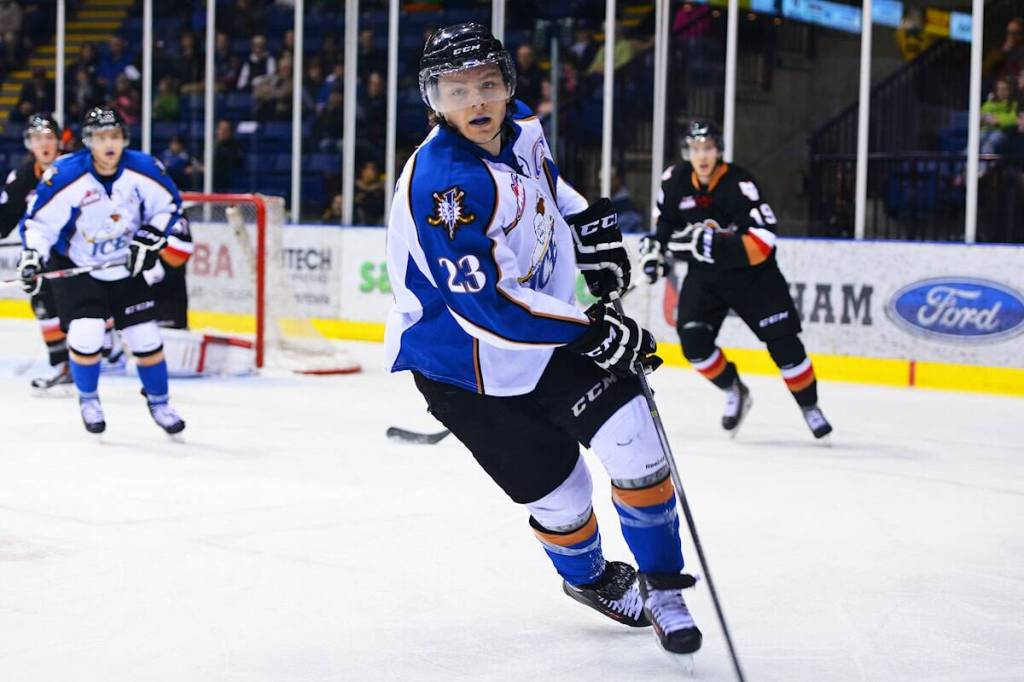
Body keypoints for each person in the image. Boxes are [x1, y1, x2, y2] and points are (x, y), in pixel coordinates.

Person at [385, 23, 702, 661]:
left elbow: (546, 182)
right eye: (456, 91)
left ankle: (666, 590)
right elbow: (488, 310)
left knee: (635, 440)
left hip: (550, 334)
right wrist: (595, 329)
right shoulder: (446, 189)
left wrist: (590, 227)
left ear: (507, 84)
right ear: (434, 101)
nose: (476, 101)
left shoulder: (521, 124)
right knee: (565, 498)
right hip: (467, 369)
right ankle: (589, 579)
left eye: (487, 84)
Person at [640, 120, 833, 439]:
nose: (702, 156)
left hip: (753, 277)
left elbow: (764, 239)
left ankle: (809, 406)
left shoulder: (739, 183)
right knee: (694, 344)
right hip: (706, 277)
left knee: (785, 346)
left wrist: (715, 245)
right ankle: (735, 390)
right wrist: (655, 251)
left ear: (719, 150)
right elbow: (665, 225)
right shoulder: (674, 180)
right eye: (696, 149)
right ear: (688, 152)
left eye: (708, 148)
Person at [16, 107, 187, 438]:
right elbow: (39, 224)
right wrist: (33, 255)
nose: (109, 144)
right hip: (77, 266)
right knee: (87, 332)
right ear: (87, 141)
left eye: (115, 136)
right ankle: (89, 399)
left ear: (124, 139)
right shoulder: (66, 173)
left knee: (146, 337)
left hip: (124, 265)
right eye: (100, 137)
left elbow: (169, 207)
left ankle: (160, 403)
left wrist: (150, 236)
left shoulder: (143, 168)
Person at [0, 114, 71, 390]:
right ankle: (61, 366)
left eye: (49, 138)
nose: (44, 144)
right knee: (43, 304)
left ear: (59, 141)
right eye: (37, 138)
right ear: (29, 143)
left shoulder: (73, 169)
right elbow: (6, 217)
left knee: (83, 305)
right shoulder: (22, 177)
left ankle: (107, 354)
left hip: (75, 252)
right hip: (39, 255)